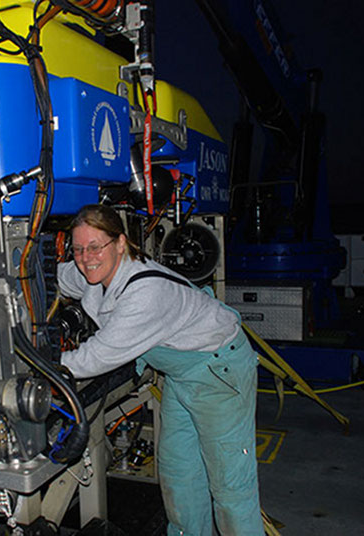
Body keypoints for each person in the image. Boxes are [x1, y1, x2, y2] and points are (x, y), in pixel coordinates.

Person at [57, 204, 263, 536]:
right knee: (180, 475)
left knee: (230, 488)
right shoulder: (97, 272)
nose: (86, 257)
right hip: (183, 376)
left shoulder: (144, 293)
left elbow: (97, 357)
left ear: (120, 243)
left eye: (95, 246)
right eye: (79, 249)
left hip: (219, 373)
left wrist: (41, 366)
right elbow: (59, 276)